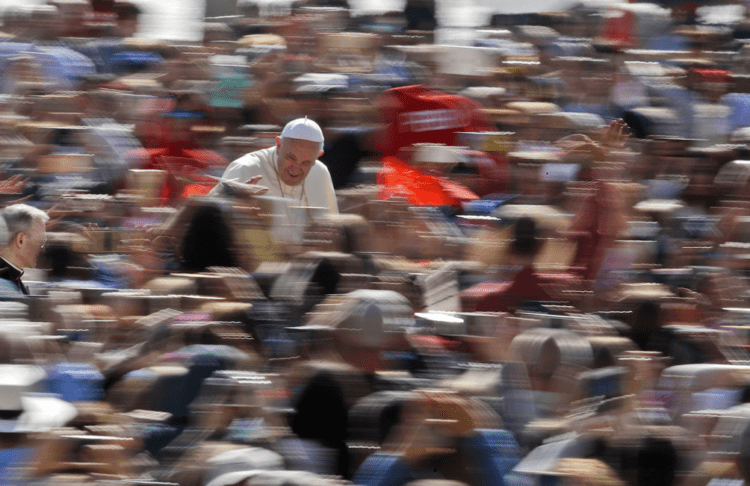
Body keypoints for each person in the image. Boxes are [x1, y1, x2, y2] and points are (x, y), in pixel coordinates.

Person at [210, 117, 339, 224]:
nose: (296, 168)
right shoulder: (246, 167)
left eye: (306, 163)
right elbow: (205, 215)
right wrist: (232, 201)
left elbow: (333, 227)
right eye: (291, 158)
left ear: (318, 156)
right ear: (278, 145)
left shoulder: (320, 172)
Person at [0, 204, 49, 295]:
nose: (43, 250)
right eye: (40, 242)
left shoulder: (13, 280)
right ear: (20, 240)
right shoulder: (4, 288)